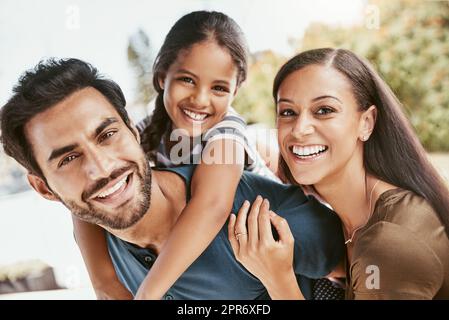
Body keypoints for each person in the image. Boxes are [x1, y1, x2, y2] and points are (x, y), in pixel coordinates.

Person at [0, 57, 345, 299]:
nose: (102, 168)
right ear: (44, 188)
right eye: (70, 158)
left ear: (134, 133)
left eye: (107, 135)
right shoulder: (95, 229)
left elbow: (369, 277)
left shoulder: (263, 221)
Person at [71, 10, 277, 299]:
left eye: (219, 88)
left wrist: (148, 294)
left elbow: (211, 207)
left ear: (235, 92)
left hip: (278, 252)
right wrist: (104, 284)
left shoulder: (228, 132)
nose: (200, 99)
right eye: (187, 80)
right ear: (161, 76)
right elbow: (90, 194)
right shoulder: (141, 133)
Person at [229, 48, 449, 299]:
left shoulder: (390, 241)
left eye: (324, 110)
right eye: (288, 112)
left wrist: (278, 279)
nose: (299, 129)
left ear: (366, 122)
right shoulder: (349, 223)